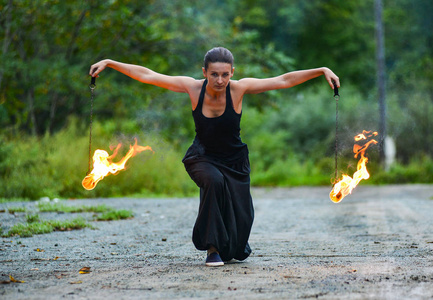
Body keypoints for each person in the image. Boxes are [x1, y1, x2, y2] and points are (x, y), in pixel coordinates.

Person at [89, 47, 340, 267]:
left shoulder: (239, 89)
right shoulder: (192, 87)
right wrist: (111, 63)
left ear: (232, 72)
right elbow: (148, 75)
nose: (220, 80)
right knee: (213, 181)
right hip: (203, 157)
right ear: (204, 72)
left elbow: (283, 80)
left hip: (234, 161)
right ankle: (212, 249)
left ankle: (225, 247)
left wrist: (321, 70)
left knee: (242, 223)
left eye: (225, 74)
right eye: (214, 74)